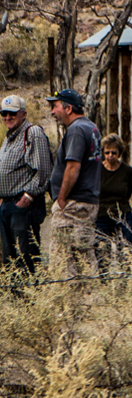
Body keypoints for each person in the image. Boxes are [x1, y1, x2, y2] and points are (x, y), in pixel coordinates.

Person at [46, 88, 102, 279]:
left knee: (64, 260)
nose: (53, 112)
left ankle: (70, 305)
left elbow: (73, 167)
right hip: (86, 202)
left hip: (73, 205)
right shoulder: (91, 127)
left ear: (68, 108)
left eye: (56, 106)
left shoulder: (76, 129)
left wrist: (61, 199)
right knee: (84, 257)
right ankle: (89, 301)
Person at [0, 95, 53, 280]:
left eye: (12, 113)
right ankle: (18, 302)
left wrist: (26, 198)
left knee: (26, 256)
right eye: (4, 113)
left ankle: (32, 300)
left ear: (23, 114)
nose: (7, 117)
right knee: (9, 260)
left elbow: (44, 171)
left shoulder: (32, 133)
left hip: (22, 207)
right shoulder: (9, 138)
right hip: (7, 206)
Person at [95, 133, 132, 268]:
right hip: (101, 217)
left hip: (122, 216)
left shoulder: (127, 171)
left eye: (114, 152)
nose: (110, 156)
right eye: (107, 152)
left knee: (125, 254)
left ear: (119, 153)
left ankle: (123, 286)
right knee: (102, 255)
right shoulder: (97, 170)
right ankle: (105, 285)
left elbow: (128, 192)